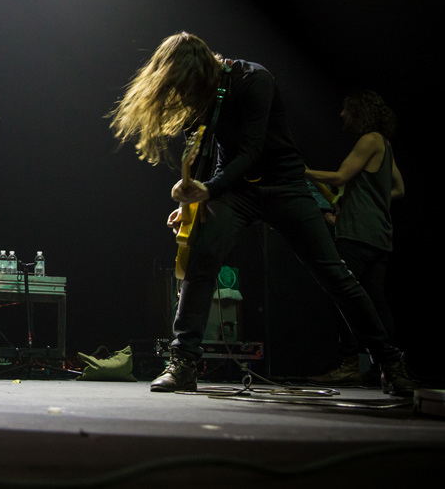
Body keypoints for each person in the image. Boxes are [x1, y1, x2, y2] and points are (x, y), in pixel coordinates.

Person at [106, 33, 413, 395]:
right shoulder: (209, 96)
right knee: (201, 260)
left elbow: (250, 151)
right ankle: (184, 362)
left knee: (335, 275)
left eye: (187, 87)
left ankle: (389, 363)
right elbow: (207, 152)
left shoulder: (256, 80)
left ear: (203, 69)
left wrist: (210, 189)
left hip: (284, 186)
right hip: (237, 190)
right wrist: (190, 202)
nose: (185, 97)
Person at [305, 91, 404, 384]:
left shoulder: (369, 139)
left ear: (359, 112)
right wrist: (360, 203)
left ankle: (348, 363)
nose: (341, 115)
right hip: (379, 234)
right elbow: (398, 188)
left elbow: (339, 177)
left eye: (346, 110)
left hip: (358, 234)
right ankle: (385, 365)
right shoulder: (384, 144)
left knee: (343, 296)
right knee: (374, 300)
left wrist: (304, 171)